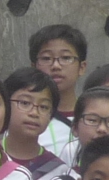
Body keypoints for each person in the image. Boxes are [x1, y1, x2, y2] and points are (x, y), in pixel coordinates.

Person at [30, 23, 91, 152]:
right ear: (34, 67)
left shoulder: (94, 119)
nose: (56, 66)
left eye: (66, 58)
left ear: (82, 67)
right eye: (46, 58)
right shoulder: (25, 119)